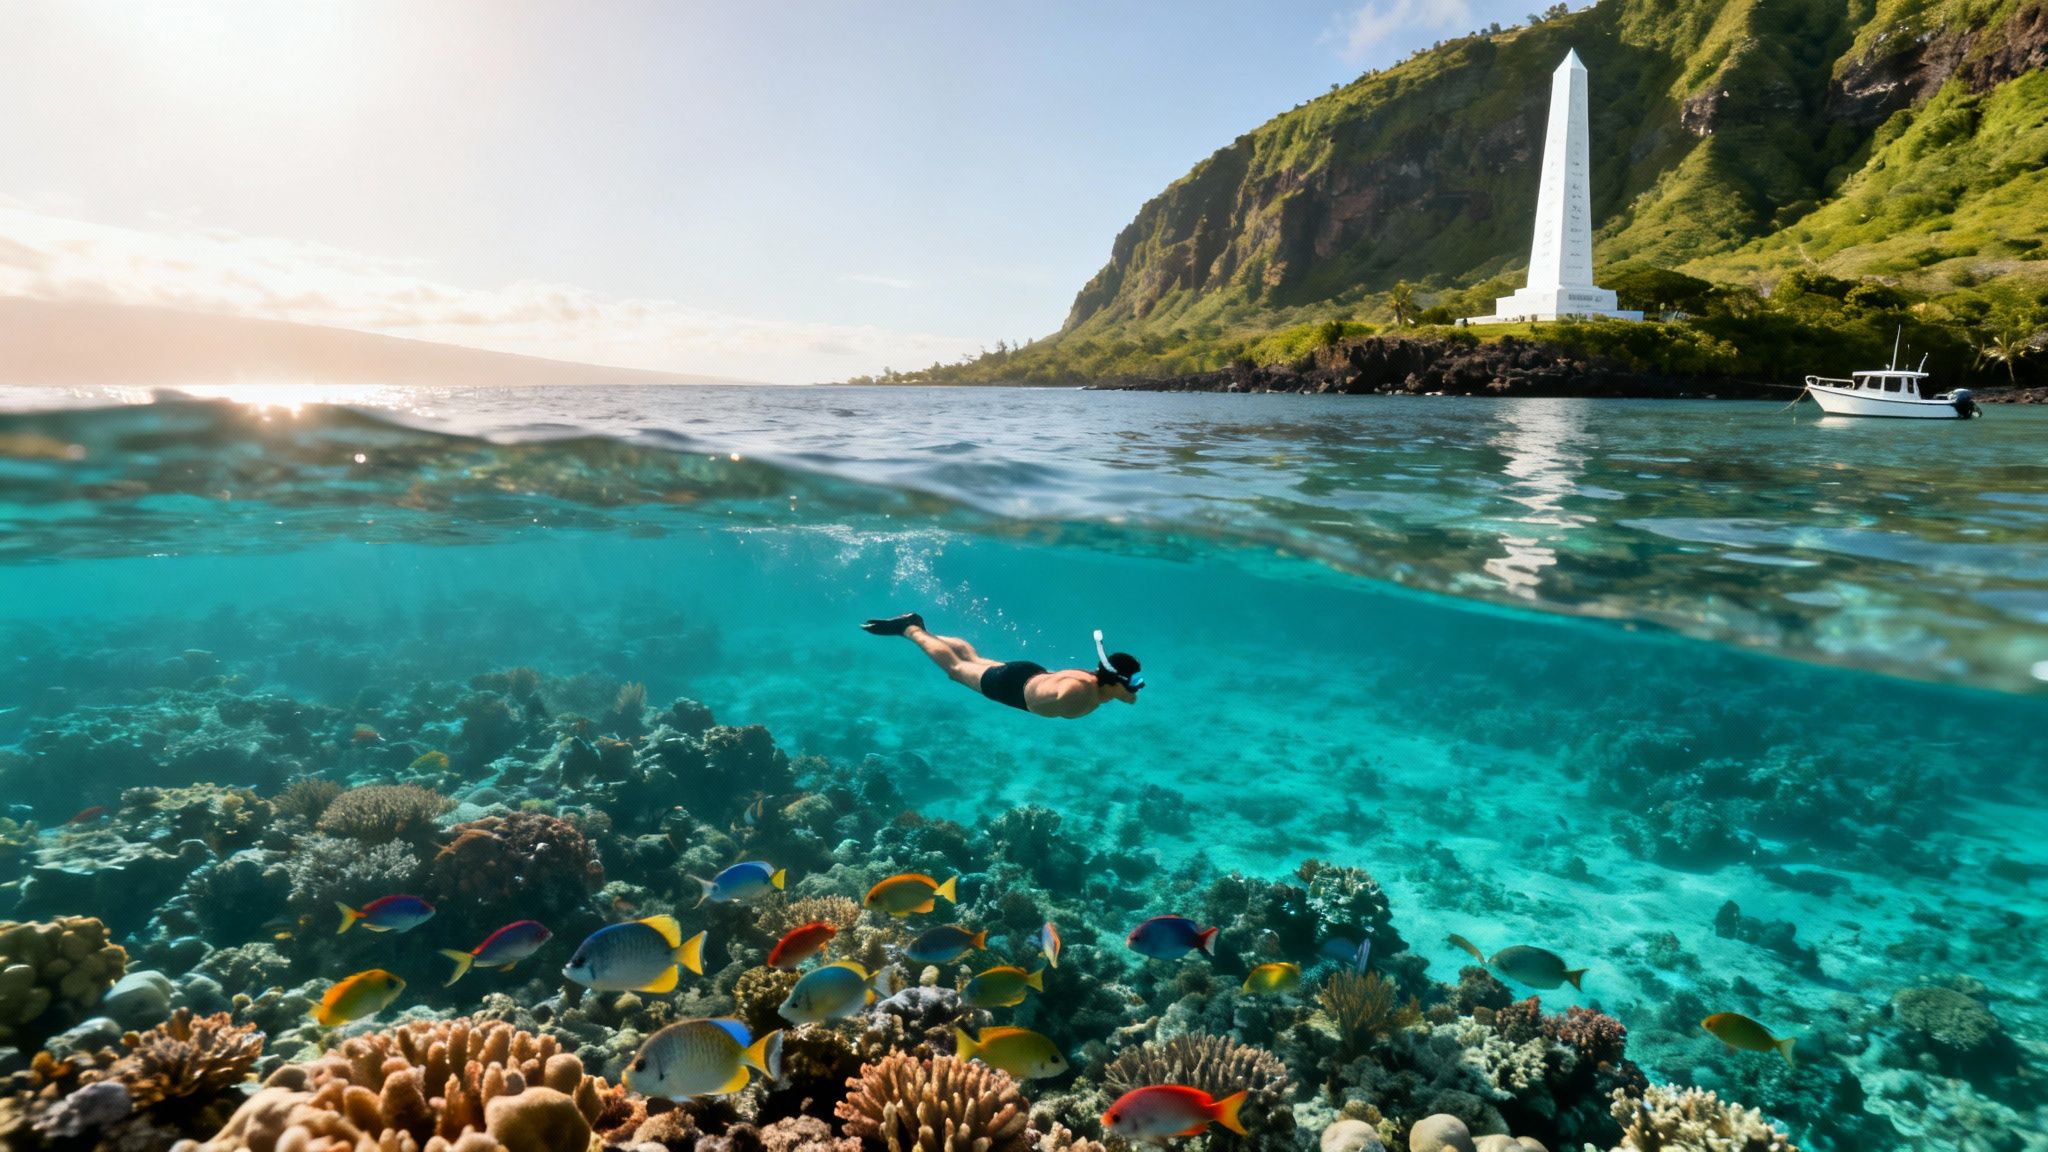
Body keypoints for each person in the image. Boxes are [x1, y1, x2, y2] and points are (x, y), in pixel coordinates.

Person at [861, 613, 1142, 719]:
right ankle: (910, 629)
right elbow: (1067, 696)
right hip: (1010, 688)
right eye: (1131, 683)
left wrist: (1119, 694)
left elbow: (1100, 688)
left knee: (973, 659)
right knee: (957, 669)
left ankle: (923, 629)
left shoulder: (1095, 680)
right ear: (1115, 681)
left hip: (1027, 673)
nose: (1135, 689)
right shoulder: (1080, 692)